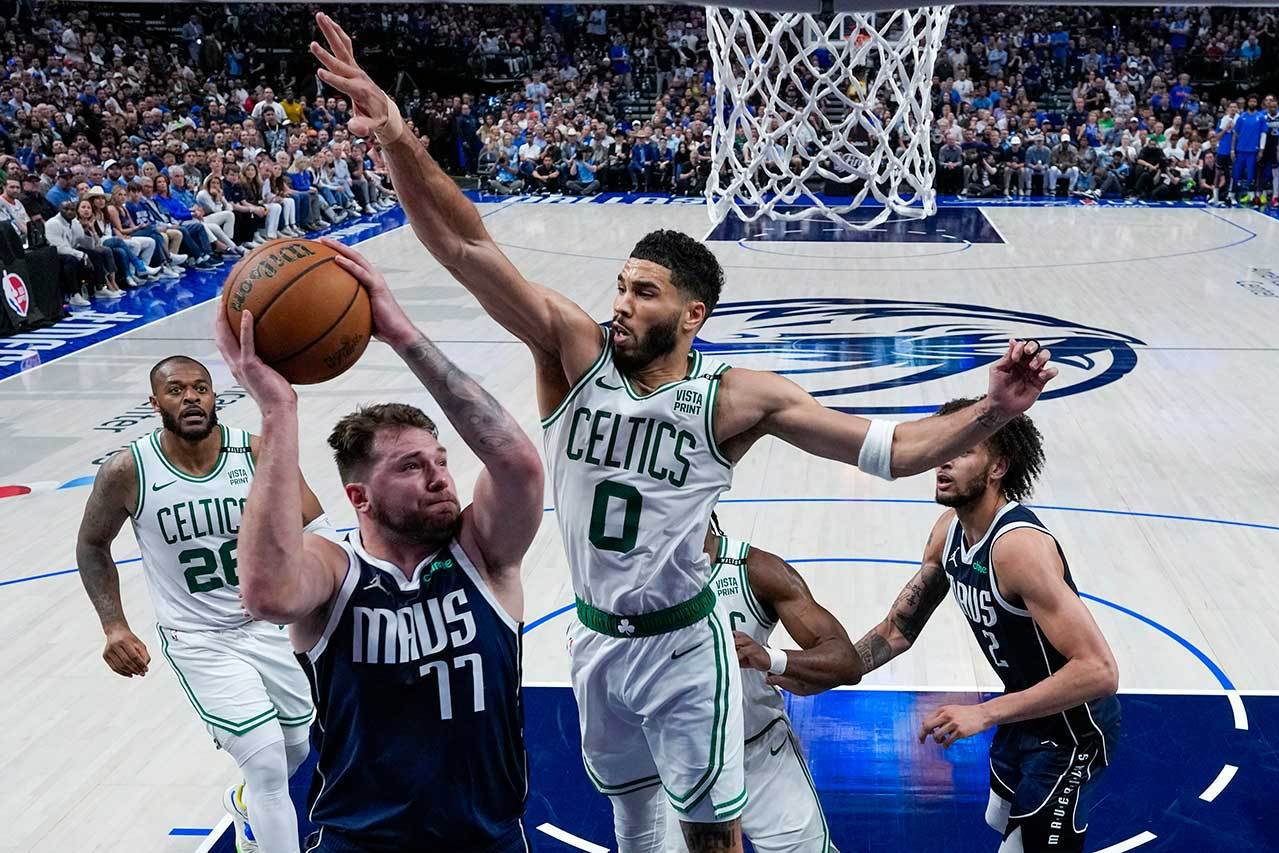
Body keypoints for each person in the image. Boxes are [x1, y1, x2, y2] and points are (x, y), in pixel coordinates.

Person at [312, 14, 1056, 852]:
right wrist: (396, 132)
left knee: (710, 838)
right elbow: (462, 241)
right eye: (620, 286)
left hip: (683, 647)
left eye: (645, 292)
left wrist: (996, 409)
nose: (622, 304)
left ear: (692, 314)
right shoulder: (572, 351)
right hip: (595, 638)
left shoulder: (734, 399)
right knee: (635, 829)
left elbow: (891, 452)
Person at [214, 238, 544, 851]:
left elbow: (519, 465)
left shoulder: (482, 553)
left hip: (486, 839)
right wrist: (278, 412)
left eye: (439, 460)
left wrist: (402, 335)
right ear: (359, 498)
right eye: (411, 466)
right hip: (362, 841)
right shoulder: (336, 571)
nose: (439, 477)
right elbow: (265, 593)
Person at [75, 356, 332, 853]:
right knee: (265, 763)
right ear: (154, 403)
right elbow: (91, 544)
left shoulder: (255, 452)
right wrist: (114, 626)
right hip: (198, 639)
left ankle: (243, 804)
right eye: (175, 390)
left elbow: (316, 526)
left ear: (215, 396)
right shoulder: (128, 470)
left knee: (297, 747)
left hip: (268, 624)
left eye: (200, 387)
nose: (190, 397)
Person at [848, 397, 1120, 853]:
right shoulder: (947, 531)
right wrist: (813, 669)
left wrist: (985, 712)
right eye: (944, 445)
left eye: (963, 449)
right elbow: (897, 630)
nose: (943, 459)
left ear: (998, 468)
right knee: (999, 820)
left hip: (1072, 730)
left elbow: (1100, 671)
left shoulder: (1018, 549)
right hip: (1025, 713)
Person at [665, 512, 857, 853]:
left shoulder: (754, 570)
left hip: (761, 753)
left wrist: (771, 657)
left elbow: (846, 661)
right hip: (685, 759)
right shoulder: (646, 580)